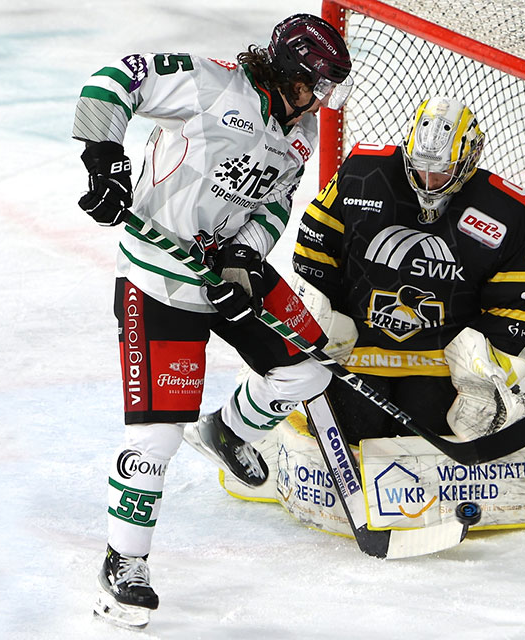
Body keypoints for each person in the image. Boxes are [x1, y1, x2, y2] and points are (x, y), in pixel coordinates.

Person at [72, 14, 352, 629]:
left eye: (327, 88)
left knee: (309, 371)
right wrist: (103, 160)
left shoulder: (299, 132)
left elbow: (276, 204)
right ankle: (124, 564)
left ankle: (227, 431)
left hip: (224, 270)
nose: (318, 99)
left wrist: (242, 259)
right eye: (314, 84)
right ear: (283, 67)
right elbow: (112, 79)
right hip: (160, 276)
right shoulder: (210, 85)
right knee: (156, 439)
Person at [290, 96, 525, 448]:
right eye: (421, 167)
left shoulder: (507, 211)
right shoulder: (363, 174)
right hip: (358, 352)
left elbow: (523, 304)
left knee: (438, 431)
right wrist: (326, 317)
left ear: (469, 160)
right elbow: (314, 248)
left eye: (442, 170)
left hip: (440, 364)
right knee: (352, 427)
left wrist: (484, 366)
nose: (429, 180)